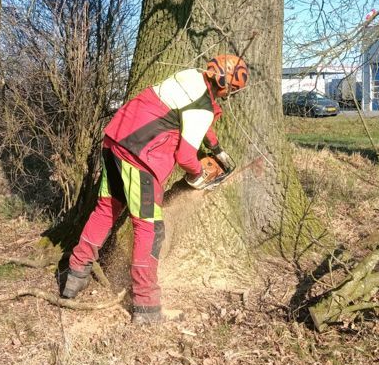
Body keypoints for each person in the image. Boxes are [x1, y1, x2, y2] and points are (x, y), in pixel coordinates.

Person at [61, 54, 249, 324]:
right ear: (224, 85)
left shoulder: (189, 77)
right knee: (149, 227)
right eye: (230, 90)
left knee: (106, 209)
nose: (228, 95)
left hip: (115, 141)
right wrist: (199, 175)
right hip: (139, 155)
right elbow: (186, 156)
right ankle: (146, 305)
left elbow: (194, 114)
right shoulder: (203, 107)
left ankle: (75, 273)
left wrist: (216, 147)